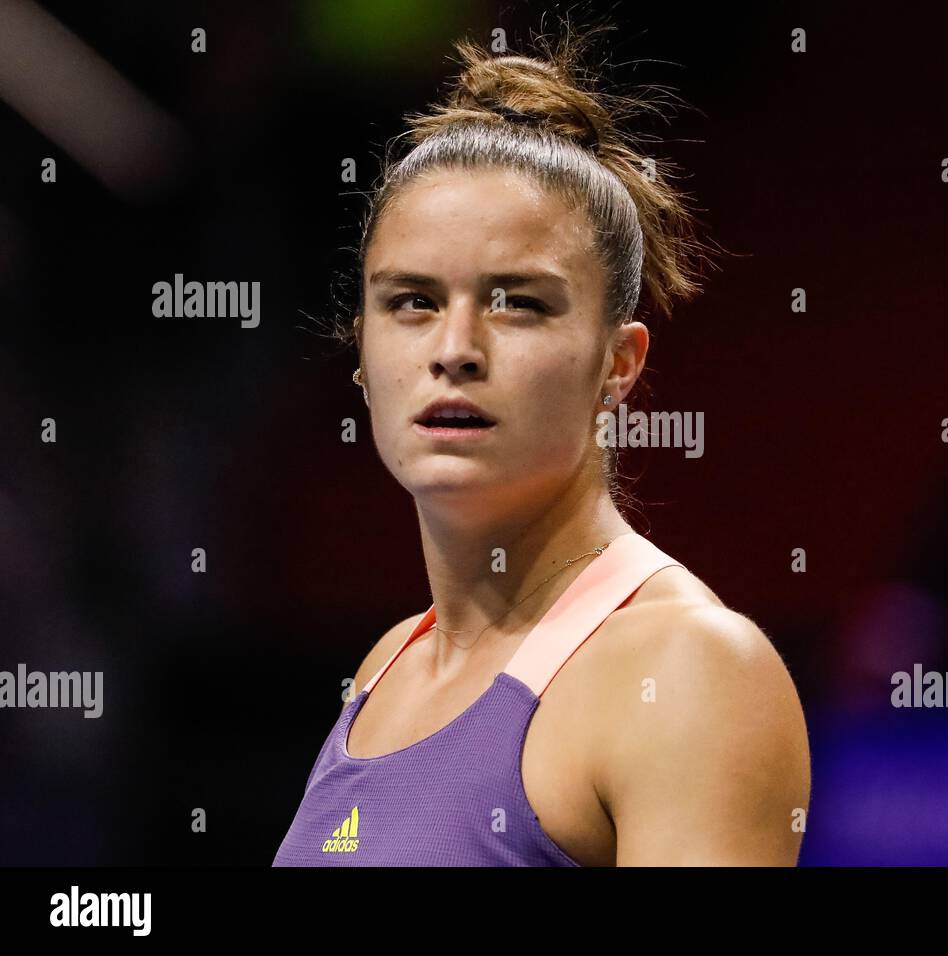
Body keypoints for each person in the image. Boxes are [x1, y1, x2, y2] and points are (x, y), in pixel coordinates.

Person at [272, 25, 811, 866]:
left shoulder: (689, 668)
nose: (454, 347)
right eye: (411, 300)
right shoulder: (388, 668)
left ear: (618, 363)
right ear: (363, 357)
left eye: (518, 303)